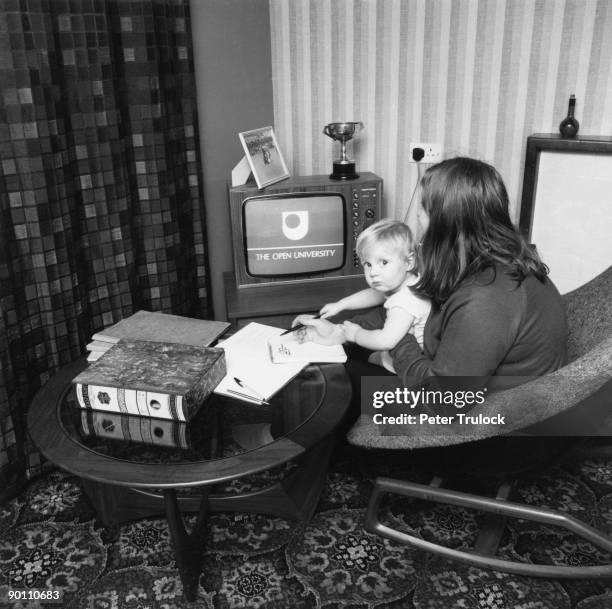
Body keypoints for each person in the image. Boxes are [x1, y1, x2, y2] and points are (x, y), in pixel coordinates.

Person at [293, 157, 567, 393]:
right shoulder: (482, 260)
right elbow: (411, 305)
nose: (418, 220)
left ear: (446, 223)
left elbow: (443, 401)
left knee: (330, 379)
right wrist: (342, 331)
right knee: (342, 354)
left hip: (487, 424)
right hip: (453, 374)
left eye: (423, 209)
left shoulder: (487, 298)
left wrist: (395, 337)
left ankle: (294, 447)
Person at [318, 218, 431, 373]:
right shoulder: (410, 281)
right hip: (397, 351)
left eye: (383, 262)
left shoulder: (405, 302)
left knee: (346, 370)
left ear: (409, 262)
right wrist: (341, 304)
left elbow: (386, 341)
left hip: (403, 369)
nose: (373, 272)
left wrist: (357, 334)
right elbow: (375, 295)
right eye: (368, 264)